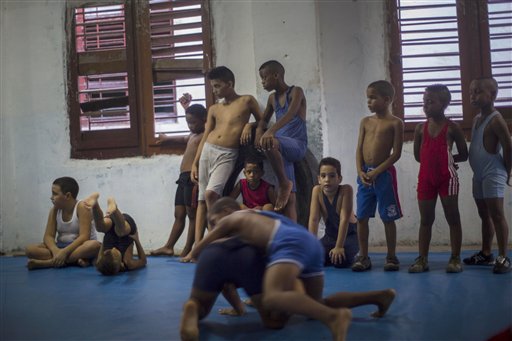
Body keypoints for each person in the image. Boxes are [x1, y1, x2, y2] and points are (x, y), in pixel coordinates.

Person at [190, 198, 356, 341]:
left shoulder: (232, 219)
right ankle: (377, 298)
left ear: (227, 211)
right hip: (310, 242)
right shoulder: (257, 215)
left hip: (288, 242)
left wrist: (197, 255)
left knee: (272, 297)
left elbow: (200, 247)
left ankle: (333, 317)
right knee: (315, 304)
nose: (213, 228)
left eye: (213, 222)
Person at [181, 232, 396, 341]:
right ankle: (378, 296)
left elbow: (227, 285)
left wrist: (239, 308)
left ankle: (192, 309)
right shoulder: (264, 244)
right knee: (300, 310)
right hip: (261, 265)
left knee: (199, 304)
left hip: (212, 256)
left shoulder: (232, 238)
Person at [182, 66, 264, 262]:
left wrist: (249, 125)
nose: (215, 90)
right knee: (202, 200)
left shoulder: (247, 100)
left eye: (218, 86)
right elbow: (205, 136)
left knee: (211, 194)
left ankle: (215, 242)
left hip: (228, 153)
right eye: (212, 86)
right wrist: (195, 163)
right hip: (208, 151)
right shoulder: (214, 108)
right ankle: (198, 250)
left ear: (230, 84)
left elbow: (263, 121)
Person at [408, 84, 468, 273]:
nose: (425, 106)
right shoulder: (420, 128)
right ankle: (422, 258)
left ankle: (455, 257)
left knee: (453, 218)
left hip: (447, 178)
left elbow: (464, 154)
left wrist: (450, 160)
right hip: (425, 179)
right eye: (424, 102)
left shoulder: (452, 127)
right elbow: (418, 156)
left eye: (430, 102)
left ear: (444, 104)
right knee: (426, 220)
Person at [353, 80, 404, 272]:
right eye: (368, 98)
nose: (369, 102)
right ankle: (363, 256)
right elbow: (358, 149)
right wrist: (360, 171)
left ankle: (391, 256)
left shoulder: (395, 123)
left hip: (384, 176)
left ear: (387, 99)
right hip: (365, 176)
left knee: (387, 217)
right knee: (361, 217)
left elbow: (396, 153)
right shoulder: (365, 122)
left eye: (373, 98)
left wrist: (376, 171)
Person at [465, 77, 511, 274]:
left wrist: (508, 171)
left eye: (477, 92)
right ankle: (486, 253)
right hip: (479, 174)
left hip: (493, 172)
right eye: (471, 92)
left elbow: (509, 146)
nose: (472, 96)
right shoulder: (476, 119)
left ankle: (503, 256)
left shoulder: (496, 120)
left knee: (497, 214)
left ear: (492, 95)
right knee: (484, 214)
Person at [151, 94, 207, 258]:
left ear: (204, 120)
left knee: (192, 215)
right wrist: (166, 139)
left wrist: (191, 109)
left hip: (192, 178)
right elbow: (182, 138)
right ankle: (169, 246)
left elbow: (210, 120)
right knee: (179, 214)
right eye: (188, 122)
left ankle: (189, 249)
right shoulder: (192, 135)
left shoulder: (205, 135)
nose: (190, 126)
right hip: (182, 178)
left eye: (193, 122)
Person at [257, 60, 308, 221]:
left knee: (270, 142)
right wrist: (259, 131)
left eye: (264, 78)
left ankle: (285, 183)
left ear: (276, 75)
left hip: (297, 146)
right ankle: (292, 239)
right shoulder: (272, 98)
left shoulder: (296, 91)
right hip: (281, 153)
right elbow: (263, 120)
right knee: (289, 200)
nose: (262, 82)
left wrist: (270, 132)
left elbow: (291, 114)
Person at [25, 177, 101, 270]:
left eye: (55, 194)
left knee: (94, 246)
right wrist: (56, 251)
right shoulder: (54, 210)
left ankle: (49, 263)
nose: (51, 197)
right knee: (30, 250)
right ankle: (73, 260)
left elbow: (84, 237)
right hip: (61, 246)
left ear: (68, 196)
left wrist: (65, 253)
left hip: (78, 247)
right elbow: (48, 236)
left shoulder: (81, 207)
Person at [308, 157, 359, 268]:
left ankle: (355, 254)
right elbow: (314, 219)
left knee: (341, 261)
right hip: (330, 237)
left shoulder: (346, 190)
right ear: (319, 179)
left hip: (350, 235)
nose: (327, 180)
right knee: (314, 257)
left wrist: (339, 246)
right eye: (323, 176)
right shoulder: (317, 191)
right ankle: (330, 253)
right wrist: (311, 245)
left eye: (332, 176)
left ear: (339, 178)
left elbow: (344, 219)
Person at [84, 193, 147, 275]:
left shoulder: (101, 261)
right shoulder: (128, 263)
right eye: (115, 251)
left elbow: (101, 251)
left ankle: (95, 204)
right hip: (125, 226)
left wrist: (105, 233)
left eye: (110, 250)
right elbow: (143, 261)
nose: (113, 248)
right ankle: (115, 209)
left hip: (110, 231)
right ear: (121, 264)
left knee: (100, 227)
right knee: (120, 232)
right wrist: (137, 241)